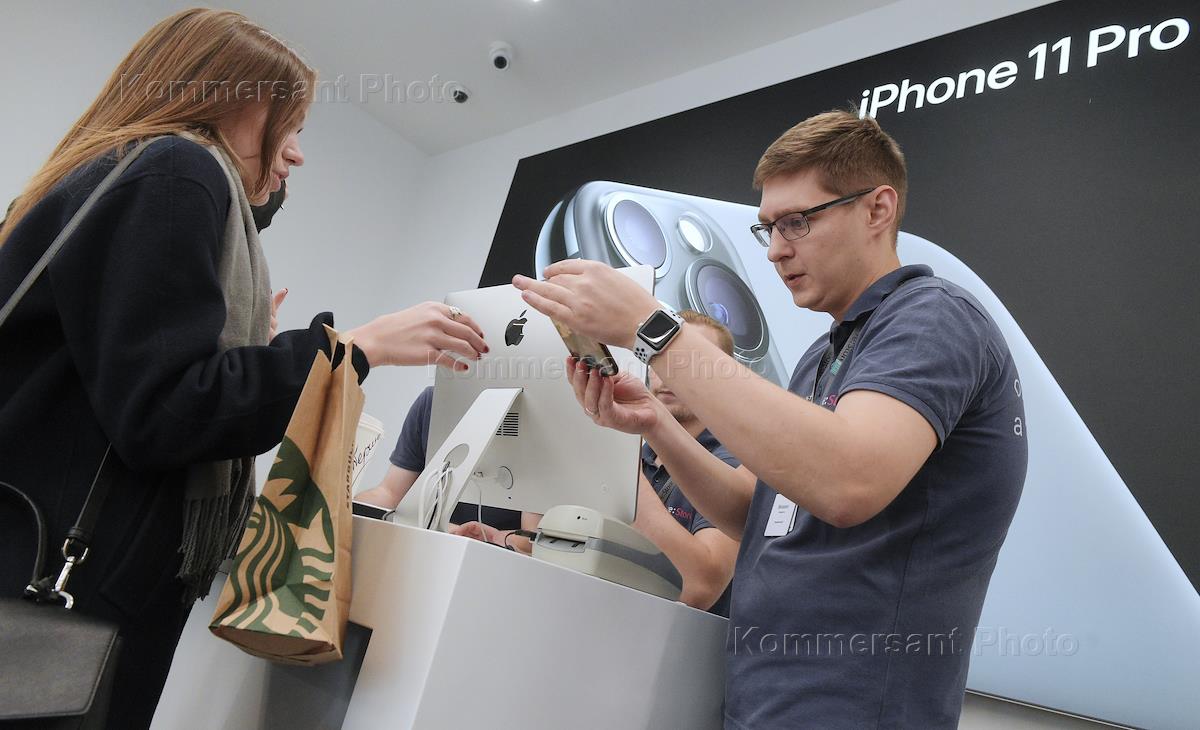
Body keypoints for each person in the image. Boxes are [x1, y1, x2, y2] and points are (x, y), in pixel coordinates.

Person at [0, 10, 488, 729]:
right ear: (223, 96)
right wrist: (354, 349)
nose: (296, 154)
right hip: (67, 579)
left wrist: (251, 359)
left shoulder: (101, 173)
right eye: (288, 122)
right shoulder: (178, 169)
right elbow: (169, 412)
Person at [513, 110, 1028, 728]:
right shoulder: (822, 357)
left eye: (798, 222)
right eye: (769, 229)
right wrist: (656, 425)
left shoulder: (932, 318)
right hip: (763, 700)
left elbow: (848, 481)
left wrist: (654, 331)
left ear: (878, 209)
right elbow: (753, 512)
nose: (778, 249)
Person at [455, 310, 743, 614]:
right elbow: (547, 543)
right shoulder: (638, 454)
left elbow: (698, 587)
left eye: (692, 362)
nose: (670, 373)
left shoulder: (733, 469)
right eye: (661, 359)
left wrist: (616, 463)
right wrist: (500, 539)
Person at [354, 385, 524, 532]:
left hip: (497, 552)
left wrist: (490, 538)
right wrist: (345, 502)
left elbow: (528, 538)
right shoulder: (433, 402)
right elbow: (391, 493)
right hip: (432, 539)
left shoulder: (531, 410)